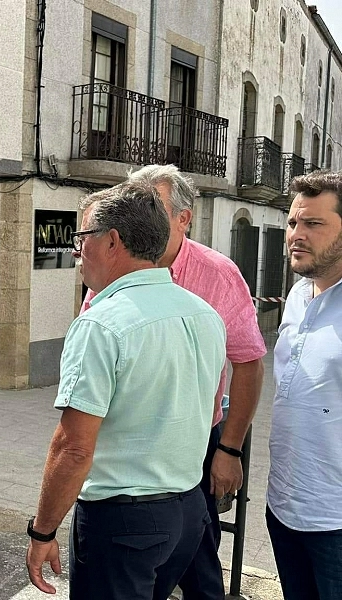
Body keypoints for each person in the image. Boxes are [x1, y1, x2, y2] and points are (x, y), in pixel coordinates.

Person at [26, 182, 227, 600]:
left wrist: (42, 530)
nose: (78, 251)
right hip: (187, 512)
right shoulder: (204, 313)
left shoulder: (100, 324)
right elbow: (206, 409)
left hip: (123, 522)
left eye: (82, 237)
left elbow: (73, 449)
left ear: (112, 241)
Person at [81, 165, 266, 600]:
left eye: (153, 207)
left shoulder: (218, 275)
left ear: (184, 218)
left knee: (199, 568)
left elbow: (249, 363)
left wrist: (229, 449)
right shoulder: (113, 267)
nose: (139, 216)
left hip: (195, 441)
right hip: (126, 444)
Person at [267, 170, 342, 600]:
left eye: (314, 224)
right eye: (294, 223)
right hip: (284, 507)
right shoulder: (297, 295)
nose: (297, 234)